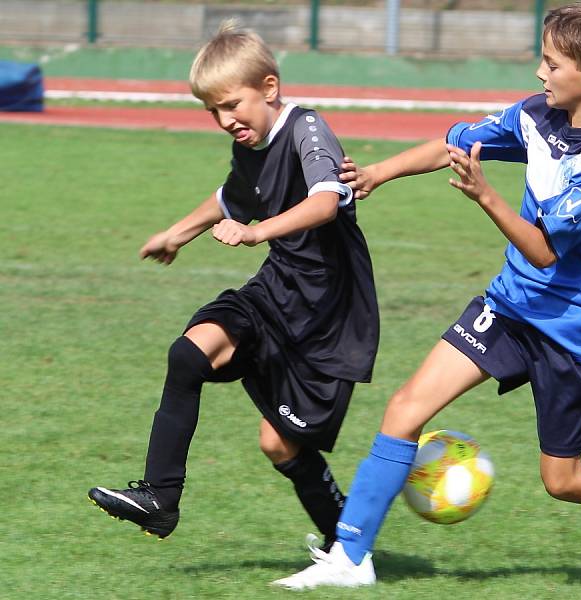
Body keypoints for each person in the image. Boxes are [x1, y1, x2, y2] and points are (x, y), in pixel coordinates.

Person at [273, 1, 581, 592]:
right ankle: (351, 557)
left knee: (564, 481)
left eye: (551, 64)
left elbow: (545, 250)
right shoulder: (536, 116)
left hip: (580, 332)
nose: (539, 73)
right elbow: (454, 145)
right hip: (511, 305)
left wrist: (487, 197)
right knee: (405, 408)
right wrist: (379, 172)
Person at [87, 20, 379, 552]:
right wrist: (177, 233)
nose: (225, 121)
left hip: (328, 314)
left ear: (269, 88)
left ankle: (348, 544)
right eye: (212, 111)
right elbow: (232, 197)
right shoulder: (250, 143)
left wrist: (257, 231)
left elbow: (326, 200)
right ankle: (160, 497)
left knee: (280, 444)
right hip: (277, 290)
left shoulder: (308, 129)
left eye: (233, 105)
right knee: (188, 354)